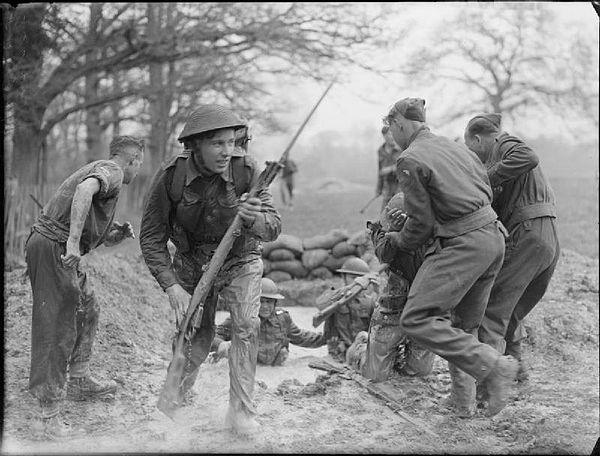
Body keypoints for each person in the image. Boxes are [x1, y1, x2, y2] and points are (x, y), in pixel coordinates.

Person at [139, 104, 281, 435]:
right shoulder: (171, 177)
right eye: (217, 143)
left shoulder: (247, 169)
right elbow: (151, 237)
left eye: (231, 142)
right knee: (194, 334)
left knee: (246, 325)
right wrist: (172, 286)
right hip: (192, 263)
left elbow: (273, 227)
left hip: (240, 259)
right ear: (196, 145)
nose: (226, 151)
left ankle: (241, 411)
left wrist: (253, 217)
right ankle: (173, 402)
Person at [383, 97, 518, 418]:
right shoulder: (457, 147)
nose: (390, 135)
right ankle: (464, 402)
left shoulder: (410, 158)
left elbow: (420, 225)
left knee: (418, 318)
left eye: (390, 128)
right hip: (493, 237)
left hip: (464, 243)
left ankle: (494, 367)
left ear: (401, 124)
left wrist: (396, 239)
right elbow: (484, 185)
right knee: (465, 325)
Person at [25, 135, 144, 438]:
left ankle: (78, 378)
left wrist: (111, 236)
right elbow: (84, 190)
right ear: (132, 160)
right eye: (139, 164)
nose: (137, 171)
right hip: (54, 247)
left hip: (53, 245)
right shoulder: (113, 171)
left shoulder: (100, 168)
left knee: (87, 307)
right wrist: (73, 242)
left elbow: (84, 209)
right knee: (56, 326)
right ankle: (47, 418)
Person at [464, 113, 560, 385]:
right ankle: (517, 374)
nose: (476, 158)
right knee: (513, 309)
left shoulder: (503, 144)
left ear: (479, 138)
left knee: (492, 310)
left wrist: (485, 178)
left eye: (472, 149)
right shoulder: (501, 157)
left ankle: (490, 390)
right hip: (547, 235)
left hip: (529, 232)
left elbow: (529, 157)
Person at [356, 192, 435, 381]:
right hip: (394, 302)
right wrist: (394, 232)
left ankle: (399, 360)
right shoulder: (381, 229)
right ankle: (359, 349)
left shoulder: (432, 231)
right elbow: (384, 255)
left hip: (424, 304)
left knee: (419, 370)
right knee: (374, 373)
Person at [210, 278, 326, 366]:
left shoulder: (283, 319)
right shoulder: (239, 319)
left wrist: (326, 339)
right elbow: (211, 336)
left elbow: (302, 337)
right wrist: (221, 344)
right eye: (261, 301)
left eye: (269, 302)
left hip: (274, 367)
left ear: (275, 303)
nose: (265, 306)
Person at [319, 257, 378, 362]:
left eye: (360, 278)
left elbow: (381, 325)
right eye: (353, 278)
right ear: (344, 277)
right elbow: (321, 304)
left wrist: (378, 291)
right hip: (338, 354)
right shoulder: (335, 298)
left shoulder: (369, 302)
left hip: (360, 354)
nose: (358, 281)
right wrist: (350, 287)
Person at [375, 125, 403, 212]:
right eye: (388, 134)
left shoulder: (401, 148)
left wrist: (390, 169)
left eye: (392, 134)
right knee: (384, 212)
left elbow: (405, 166)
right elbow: (380, 171)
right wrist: (379, 189)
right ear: (384, 136)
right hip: (387, 186)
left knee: (398, 210)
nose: (391, 137)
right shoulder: (381, 151)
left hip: (399, 185)